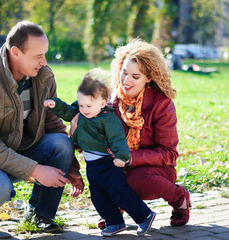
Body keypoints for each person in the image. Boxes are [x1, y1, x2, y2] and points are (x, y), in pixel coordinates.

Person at [0, 20, 84, 233]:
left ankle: (39, 213)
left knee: (62, 143)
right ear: (16, 52)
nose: (44, 62)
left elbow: (51, 123)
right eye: (38, 56)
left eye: (45, 54)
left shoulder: (43, 76)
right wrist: (35, 170)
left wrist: (71, 165)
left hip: (18, 146)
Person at [44, 68, 156, 237]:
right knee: (98, 197)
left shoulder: (108, 120)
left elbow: (118, 139)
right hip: (92, 165)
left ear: (103, 103)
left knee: (119, 193)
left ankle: (144, 216)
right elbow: (68, 111)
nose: (84, 109)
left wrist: (121, 157)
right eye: (81, 105)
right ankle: (114, 222)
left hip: (108, 163)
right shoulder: (81, 110)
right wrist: (56, 105)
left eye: (89, 105)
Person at [95, 39, 190, 229]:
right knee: (99, 172)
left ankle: (180, 198)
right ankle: (117, 207)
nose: (126, 81)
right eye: (124, 72)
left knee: (136, 180)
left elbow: (169, 153)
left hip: (157, 169)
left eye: (135, 76)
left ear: (149, 78)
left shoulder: (161, 104)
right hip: (118, 164)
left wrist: (130, 157)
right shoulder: (111, 99)